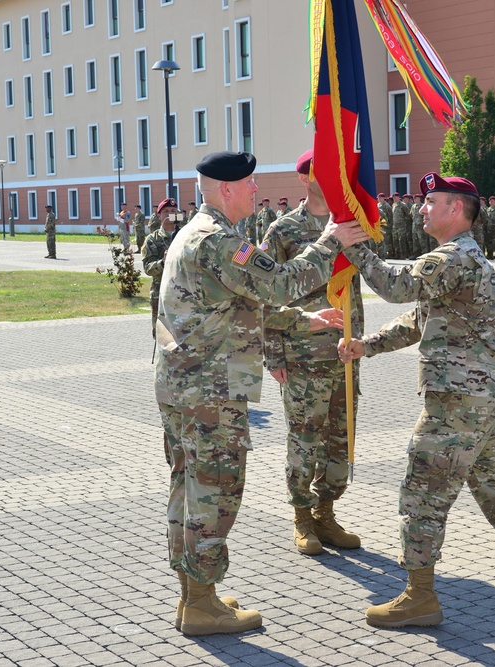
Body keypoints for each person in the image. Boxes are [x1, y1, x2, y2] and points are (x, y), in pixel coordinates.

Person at [339, 172, 495, 629]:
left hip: (460, 399)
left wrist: (351, 244)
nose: (422, 208)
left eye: (432, 201)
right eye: (423, 202)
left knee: (422, 490)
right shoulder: (457, 258)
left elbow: (395, 285)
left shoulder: (454, 256)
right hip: (475, 395)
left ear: (457, 210)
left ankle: (419, 595)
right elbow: (418, 316)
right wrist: (369, 344)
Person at [155, 151, 368, 636]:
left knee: (190, 488)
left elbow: (237, 304)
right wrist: (330, 240)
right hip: (210, 390)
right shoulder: (218, 241)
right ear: (226, 189)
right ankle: (204, 605)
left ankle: (194, 593)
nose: (256, 191)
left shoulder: (199, 233)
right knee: (215, 492)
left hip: (188, 385)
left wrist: (304, 321)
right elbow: (279, 284)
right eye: (250, 184)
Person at [260, 150, 364, 557]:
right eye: (327, 171)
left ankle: (326, 512)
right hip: (303, 354)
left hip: (345, 351)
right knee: (305, 439)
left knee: (341, 439)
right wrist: (274, 355)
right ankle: (302, 517)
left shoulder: (351, 224)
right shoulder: (283, 230)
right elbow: (266, 294)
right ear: (305, 178)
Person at [142, 198, 179, 339]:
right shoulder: (152, 239)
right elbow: (148, 268)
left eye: (173, 211)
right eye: (166, 211)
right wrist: (162, 262)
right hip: (161, 294)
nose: (170, 214)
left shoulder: (185, 236)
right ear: (159, 216)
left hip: (184, 294)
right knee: (161, 334)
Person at [392, 191, 412, 259]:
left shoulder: (403, 205)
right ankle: (397, 254)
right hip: (395, 226)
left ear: (398, 197)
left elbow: (408, 215)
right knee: (396, 241)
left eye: (396, 197)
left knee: (401, 241)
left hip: (401, 226)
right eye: (393, 197)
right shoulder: (394, 205)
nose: (394, 198)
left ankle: (403, 255)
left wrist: (403, 221)